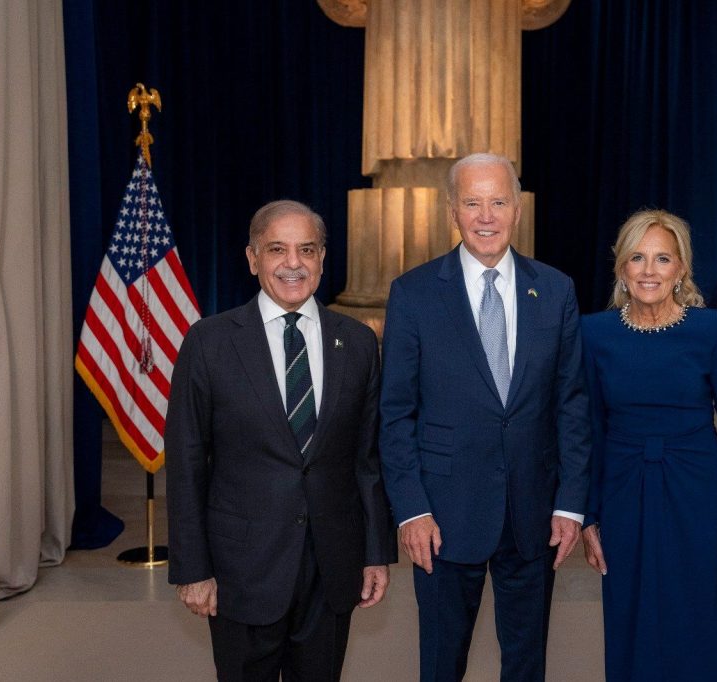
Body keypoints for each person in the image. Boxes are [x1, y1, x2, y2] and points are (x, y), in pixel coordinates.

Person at [379, 152, 590, 681]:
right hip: (443, 517)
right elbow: (396, 414)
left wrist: (570, 504)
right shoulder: (414, 293)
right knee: (441, 663)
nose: (486, 216)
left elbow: (572, 405)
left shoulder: (557, 290)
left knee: (527, 663)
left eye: (498, 201)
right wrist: (410, 510)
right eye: (472, 202)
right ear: (452, 211)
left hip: (534, 514)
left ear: (518, 210)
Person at [166, 200, 396, 681]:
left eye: (306, 250)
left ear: (322, 258)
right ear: (252, 259)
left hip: (332, 564)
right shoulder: (209, 343)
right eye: (277, 249)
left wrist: (376, 552)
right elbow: (187, 461)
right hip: (241, 568)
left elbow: (367, 460)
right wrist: (191, 567)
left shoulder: (356, 343)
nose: (293, 263)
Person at [580, 209, 717, 681]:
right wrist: (589, 516)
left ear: (681, 268)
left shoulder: (714, 329)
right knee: (629, 614)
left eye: (662, 259)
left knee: (699, 617)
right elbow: (592, 432)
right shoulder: (594, 333)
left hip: (699, 492)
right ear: (621, 267)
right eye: (637, 258)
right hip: (623, 492)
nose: (648, 271)